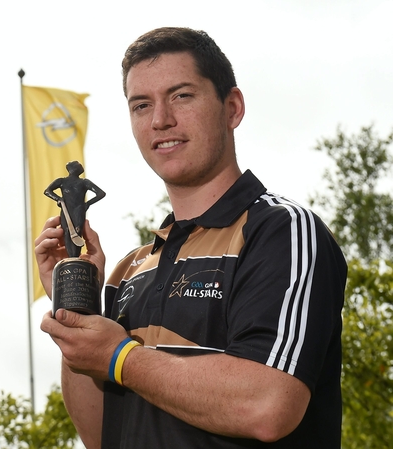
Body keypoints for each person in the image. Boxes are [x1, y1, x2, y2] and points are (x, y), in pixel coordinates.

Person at [36, 27, 346, 449]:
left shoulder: (283, 230)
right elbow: (100, 435)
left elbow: (269, 405)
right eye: (141, 105)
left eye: (181, 95)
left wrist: (120, 356)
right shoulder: (130, 268)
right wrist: (77, 304)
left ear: (232, 107)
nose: (160, 119)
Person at [44, 161, 106, 258]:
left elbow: (101, 193)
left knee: (77, 232)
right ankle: (71, 258)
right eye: (78, 165)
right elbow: (48, 191)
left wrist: (87, 204)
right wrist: (59, 199)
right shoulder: (62, 181)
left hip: (79, 211)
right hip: (66, 210)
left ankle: (75, 257)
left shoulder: (84, 182)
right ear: (73, 169)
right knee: (67, 232)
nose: (81, 166)